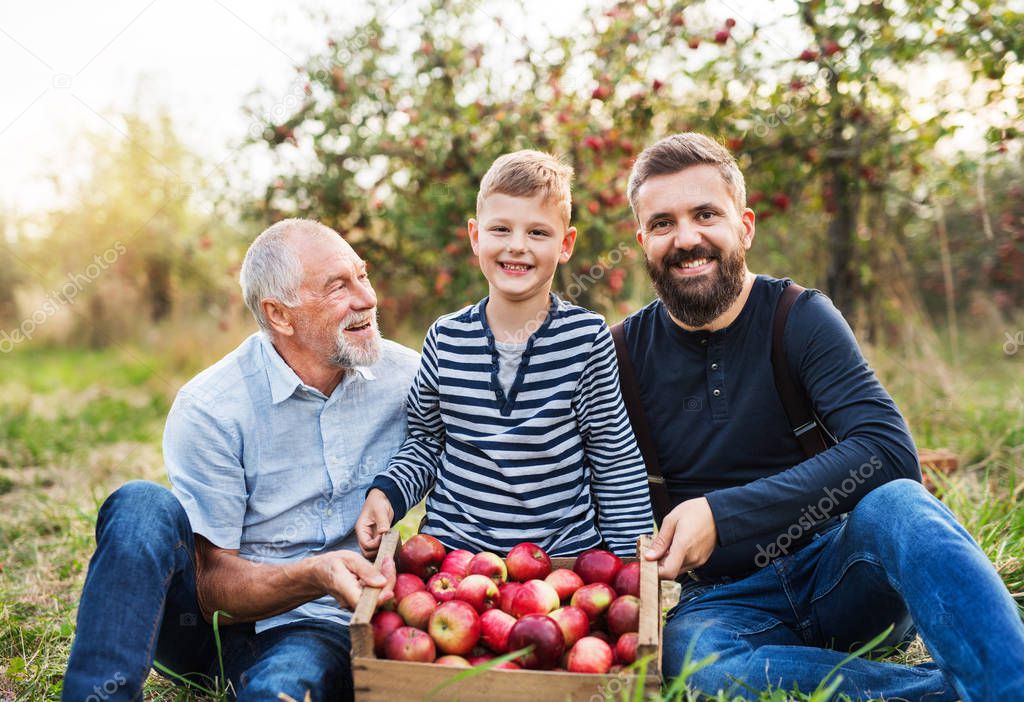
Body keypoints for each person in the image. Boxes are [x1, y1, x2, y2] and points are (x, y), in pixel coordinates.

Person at [621, 133, 1024, 701]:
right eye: (663, 223)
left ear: (745, 226)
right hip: (724, 604)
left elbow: (887, 452)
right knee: (695, 662)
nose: (687, 239)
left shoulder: (798, 316)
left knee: (901, 505)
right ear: (642, 240)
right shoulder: (618, 354)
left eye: (706, 214)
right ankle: (950, 691)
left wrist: (723, 515)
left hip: (840, 570)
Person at [62, 219, 419, 702]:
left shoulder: (408, 380)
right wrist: (313, 573)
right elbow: (210, 588)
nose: (367, 298)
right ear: (280, 315)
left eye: (363, 276)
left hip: (317, 628)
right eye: (338, 286)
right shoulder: (213, 405)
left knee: (285, 686)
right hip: (205, 626)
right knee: (140, 505)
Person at [356, 150, 653, 559]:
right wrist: (386, 494)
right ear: (476, 236)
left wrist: (630, 564)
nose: (517, 246)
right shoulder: (446, 338)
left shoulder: (586, 339)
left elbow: (612, 453)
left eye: (537, 233)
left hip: (562, 562)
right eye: (501, 229)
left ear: (565, 245)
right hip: (455, 559)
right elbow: (426, 441)